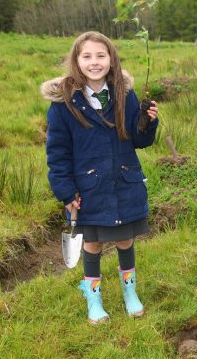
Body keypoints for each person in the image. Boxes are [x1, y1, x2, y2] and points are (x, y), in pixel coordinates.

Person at [42, 31, 159, 324]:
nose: (95, 62)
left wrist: (147, 122)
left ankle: (129, 294)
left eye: (101, 56)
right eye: (87, 56)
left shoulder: (125, 94)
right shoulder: (63, 104)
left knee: (125, 241)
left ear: (111, 59)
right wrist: (66, 192)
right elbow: (57, 154)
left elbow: (139, 140)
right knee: (92, 245)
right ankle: (93, 300)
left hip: (124, 182)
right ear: (76, 61)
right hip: (89, 188)